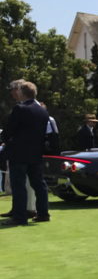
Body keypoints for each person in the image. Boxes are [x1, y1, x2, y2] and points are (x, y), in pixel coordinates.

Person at [2, 81, 50, 226]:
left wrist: (4, 139)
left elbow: (9, 130)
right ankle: (43, 214)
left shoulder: (20, 109)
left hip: (19, 153)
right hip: (36, 154)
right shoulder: (43, 111)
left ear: (22, 93)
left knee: (19, 186)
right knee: (39, 184)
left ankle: (19, 217)